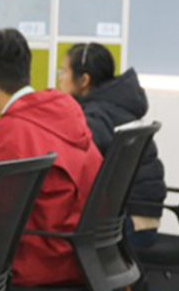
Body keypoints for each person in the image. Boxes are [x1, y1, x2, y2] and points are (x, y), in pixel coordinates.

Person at [0, 29, 102, 287]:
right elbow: (36, 141)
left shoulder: (14, 131)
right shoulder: (58, 107)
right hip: (80, 251)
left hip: (43, 261)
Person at [58, 42, 166, 248]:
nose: (60, 78)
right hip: (142, 219)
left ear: (84, 80)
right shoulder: (115, 106)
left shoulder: (96, 116)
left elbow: (80, 164)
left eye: (64, 71)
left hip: (127, 225)